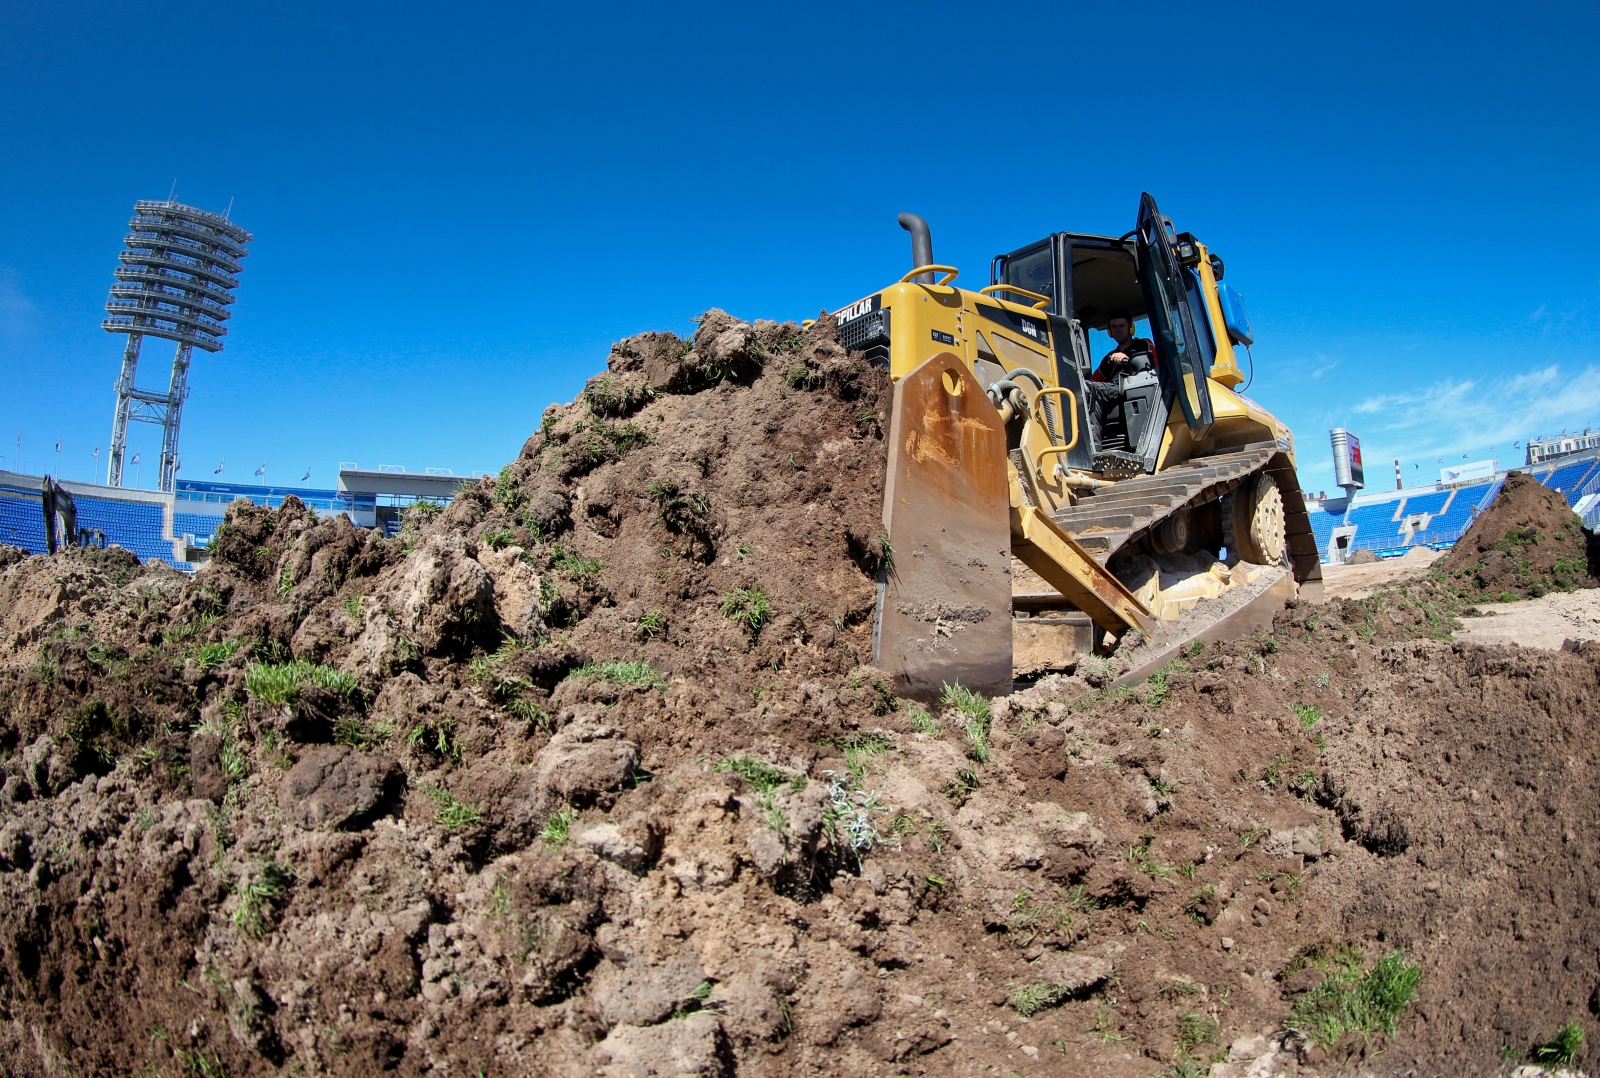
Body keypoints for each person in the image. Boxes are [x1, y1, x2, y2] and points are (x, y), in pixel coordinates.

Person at [1089, 311, 1153, 383]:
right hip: (1113, 392)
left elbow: (1155, 367)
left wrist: (1128, 360)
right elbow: (1093, 381)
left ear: (1130, 328)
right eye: (1114, 327)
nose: (1118, 330)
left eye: (1122, 326)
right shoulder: (1109, 358)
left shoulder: (1143, 344)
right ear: (1109, 331)